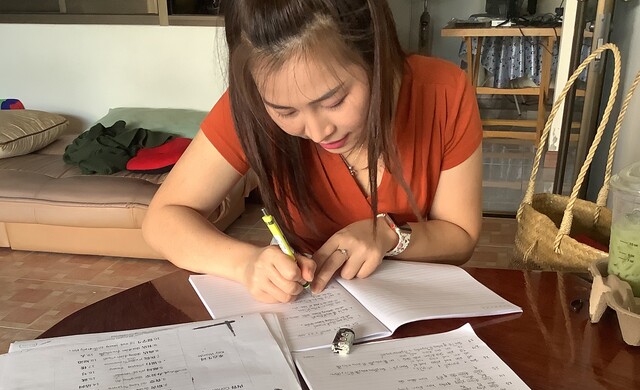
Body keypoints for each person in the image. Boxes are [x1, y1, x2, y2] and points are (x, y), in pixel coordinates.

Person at [142, 0, 483, 303]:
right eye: (285, 111)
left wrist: (388, 235)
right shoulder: (250, 108)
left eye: (334, 101)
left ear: (375, 55)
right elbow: (162, 220)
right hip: (307, 308)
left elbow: (461, 237)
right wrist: (245, 263)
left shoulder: (443, 93)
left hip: (410, 303)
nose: (318, 133)